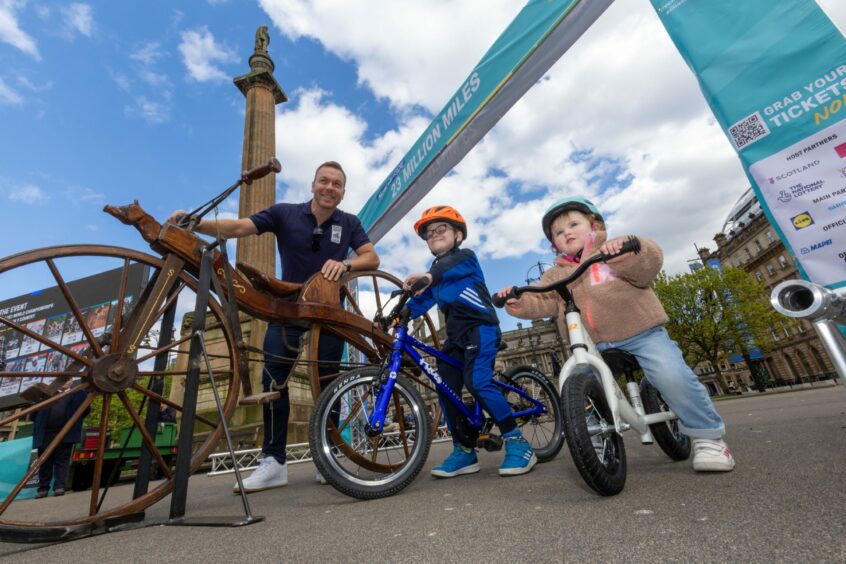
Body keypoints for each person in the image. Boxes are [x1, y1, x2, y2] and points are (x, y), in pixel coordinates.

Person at [170, 161, 379, 492]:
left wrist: (345, 263)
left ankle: (329, 455)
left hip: (329, 309)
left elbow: (372, 258)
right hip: (288, 305)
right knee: (273, 379)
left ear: (342, 192)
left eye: (336, 184)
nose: (329, 187)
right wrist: (196, 223)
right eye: (324, 181)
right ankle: (273, 461)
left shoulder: (349, 223)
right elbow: (240, 227)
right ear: (312, 185)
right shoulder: (285, 213)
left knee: (329, 383)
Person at [499, 197, 735, 472]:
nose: (567, 233)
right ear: (554, 244)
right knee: (578, 390)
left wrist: (627, 251)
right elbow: (543, 300)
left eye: (574, 224)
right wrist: (517, 300)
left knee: (671, 375)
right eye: (559, 233)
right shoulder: (555, 274)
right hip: (590, 347)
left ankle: (708, 438)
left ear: (594, 224)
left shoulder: (614, 251)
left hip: (640, 332)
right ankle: (593, 439)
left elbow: (649, 261)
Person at [404, 206, 536, 478]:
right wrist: (399, 314)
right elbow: (423, 300)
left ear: (458, 235)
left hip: (481, 328)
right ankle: (464, 451)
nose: (435, 235)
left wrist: (426, 277)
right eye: (430, 233)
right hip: (456, 337)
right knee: (444, 384)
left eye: (441, 229)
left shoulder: (465, 258)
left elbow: (442, 271)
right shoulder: (435, 274)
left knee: (476, 380)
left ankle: (517, 442)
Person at [32, 380, 89, 497]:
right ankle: (43, 489)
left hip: (65, 432)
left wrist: (74, 423)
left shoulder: (78, 394)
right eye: (62, 379)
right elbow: (34, 412)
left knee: (62, 460)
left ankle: (59, 487)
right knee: (44, 461)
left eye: (67, 380)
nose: (64, 382)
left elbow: (86, 409)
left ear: (71, 381)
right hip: (46, 433)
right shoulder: (47, 393)